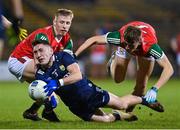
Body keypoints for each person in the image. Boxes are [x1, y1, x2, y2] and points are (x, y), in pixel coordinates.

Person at [32, 33, 161, 122]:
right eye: (35, 52)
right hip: (75, 106)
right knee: (106, 120)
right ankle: (118, 116)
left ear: (50, 50)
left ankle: (144, 100)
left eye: (41, 50)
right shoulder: (39, 74)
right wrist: (49, 101)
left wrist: (58, 82)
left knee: (121, 104)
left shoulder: (62, 57)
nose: (38, 55)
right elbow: (47, 93)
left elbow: (77, 75)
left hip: (90, 93)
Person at [75, 21, 173, 114]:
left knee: (141, 88)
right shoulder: (120, 38)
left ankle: (129, 113)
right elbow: (93, 39)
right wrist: (75, 55)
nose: (127, 47)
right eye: (125, 44)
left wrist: (155, 89)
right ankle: (114, 59)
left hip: (144, 52)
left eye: (130, 45)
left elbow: (169, 69)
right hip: (127, 43)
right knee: (118, 79)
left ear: (139, 41)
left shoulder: (150, 46)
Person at [8, 8, 74, 121]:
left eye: (67, 23)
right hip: (19, 60)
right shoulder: (44, 36)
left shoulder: (67, 40)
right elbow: (38, 61)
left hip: (35, 63)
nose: (64, 26)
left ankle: (32, 111)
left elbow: (66, 60)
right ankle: (48, 110)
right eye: (61, 22)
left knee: (48, 88)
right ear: (54, 21)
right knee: (50, 87)